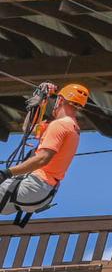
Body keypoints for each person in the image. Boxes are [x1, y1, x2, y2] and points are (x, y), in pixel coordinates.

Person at [0, 83, 88, 220]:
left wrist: (6, 173)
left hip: (34, 184)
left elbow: (43, 159)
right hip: (42, 193)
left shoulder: (60, 125)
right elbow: (27, 128)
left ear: (61, 100)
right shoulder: (72, 127)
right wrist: (40, 101)